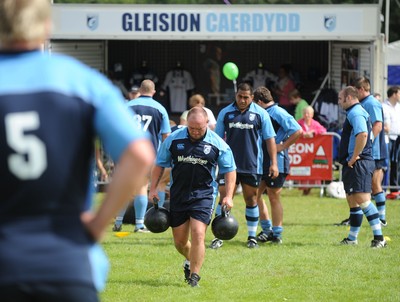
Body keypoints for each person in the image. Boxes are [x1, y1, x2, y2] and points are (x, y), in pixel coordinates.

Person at [0, 1, 155, 301]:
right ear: (47, 26)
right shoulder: (80, 81)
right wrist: (99, 223)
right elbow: (139, 154)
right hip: (67, 264)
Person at [149, 107, 236, 287]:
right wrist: (153, 188)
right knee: (180, 242)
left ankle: (194, 277)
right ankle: (190, 260)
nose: (195, 132)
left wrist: (228, 196)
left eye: (200, 128)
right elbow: (159, 164)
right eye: (192, 128)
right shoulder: (174, 139)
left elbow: (230, 170)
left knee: (198, 234)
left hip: (204, 194)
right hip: (179, 194)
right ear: (186, 123)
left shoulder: (218, 144)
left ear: (207, 124)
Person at [210, 82, 279, 249]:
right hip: (228, 166)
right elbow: (217, 140)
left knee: (251, 199)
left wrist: (274, 163)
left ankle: (251, 236)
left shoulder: (261, 114)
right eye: (240, 96)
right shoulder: (225, 113)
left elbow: (270, 140)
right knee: (224, 199)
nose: (242, 100)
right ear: (236, 95)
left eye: (246, 97)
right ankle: (219, 236)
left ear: (252, 98)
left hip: (251, 165)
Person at [112, 79, 171, 232]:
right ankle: (139, 224)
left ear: (140, 90)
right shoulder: (160, 109)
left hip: (127, 152)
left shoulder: (126, 106)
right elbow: (166, 137)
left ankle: (118, 222)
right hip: (147, 154)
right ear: (154, 92)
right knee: (142, 186)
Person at [337, 86, 386, 248]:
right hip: (354, 163)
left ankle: (379, 238)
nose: (339, 102)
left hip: (359, 163)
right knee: (353, 200)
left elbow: (363, 134)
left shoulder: (356, 112)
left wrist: (354, 156)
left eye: (340, 98)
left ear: (349, 98)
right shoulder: (354, 111)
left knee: (363, 200)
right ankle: (352, 239)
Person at [253, 87, 302, 244]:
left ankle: (277, 234)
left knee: (274, 196)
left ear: (260, 102)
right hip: (261, 161)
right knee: (254, 195)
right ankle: (267, 229)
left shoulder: (278, 112)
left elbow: (297, 130)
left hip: (277, 161)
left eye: (254, 102)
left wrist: (282, 146)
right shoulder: (263, 113)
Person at [297, 106, 327, 195]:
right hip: (302, 152)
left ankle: (310, 188)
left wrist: (314, 132)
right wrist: (303, 134)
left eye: (309, 113)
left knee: (313, 169)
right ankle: (304, 189)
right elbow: (294, 130)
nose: (307, 115)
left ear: (312, 115)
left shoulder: (315, 123)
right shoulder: (299, 123)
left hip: (313, 152)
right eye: (305, 113)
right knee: (302, 169)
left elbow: (323, 131)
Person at [382, 86, 400, 195]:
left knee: (397, 163)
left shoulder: (398, 107)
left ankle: (395, 188)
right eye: (399, 93)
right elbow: (387, 126)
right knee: (386, 163)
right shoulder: (384, 106)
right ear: (394, 94)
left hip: (398, 138)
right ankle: (382, 188)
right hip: (388, 139)